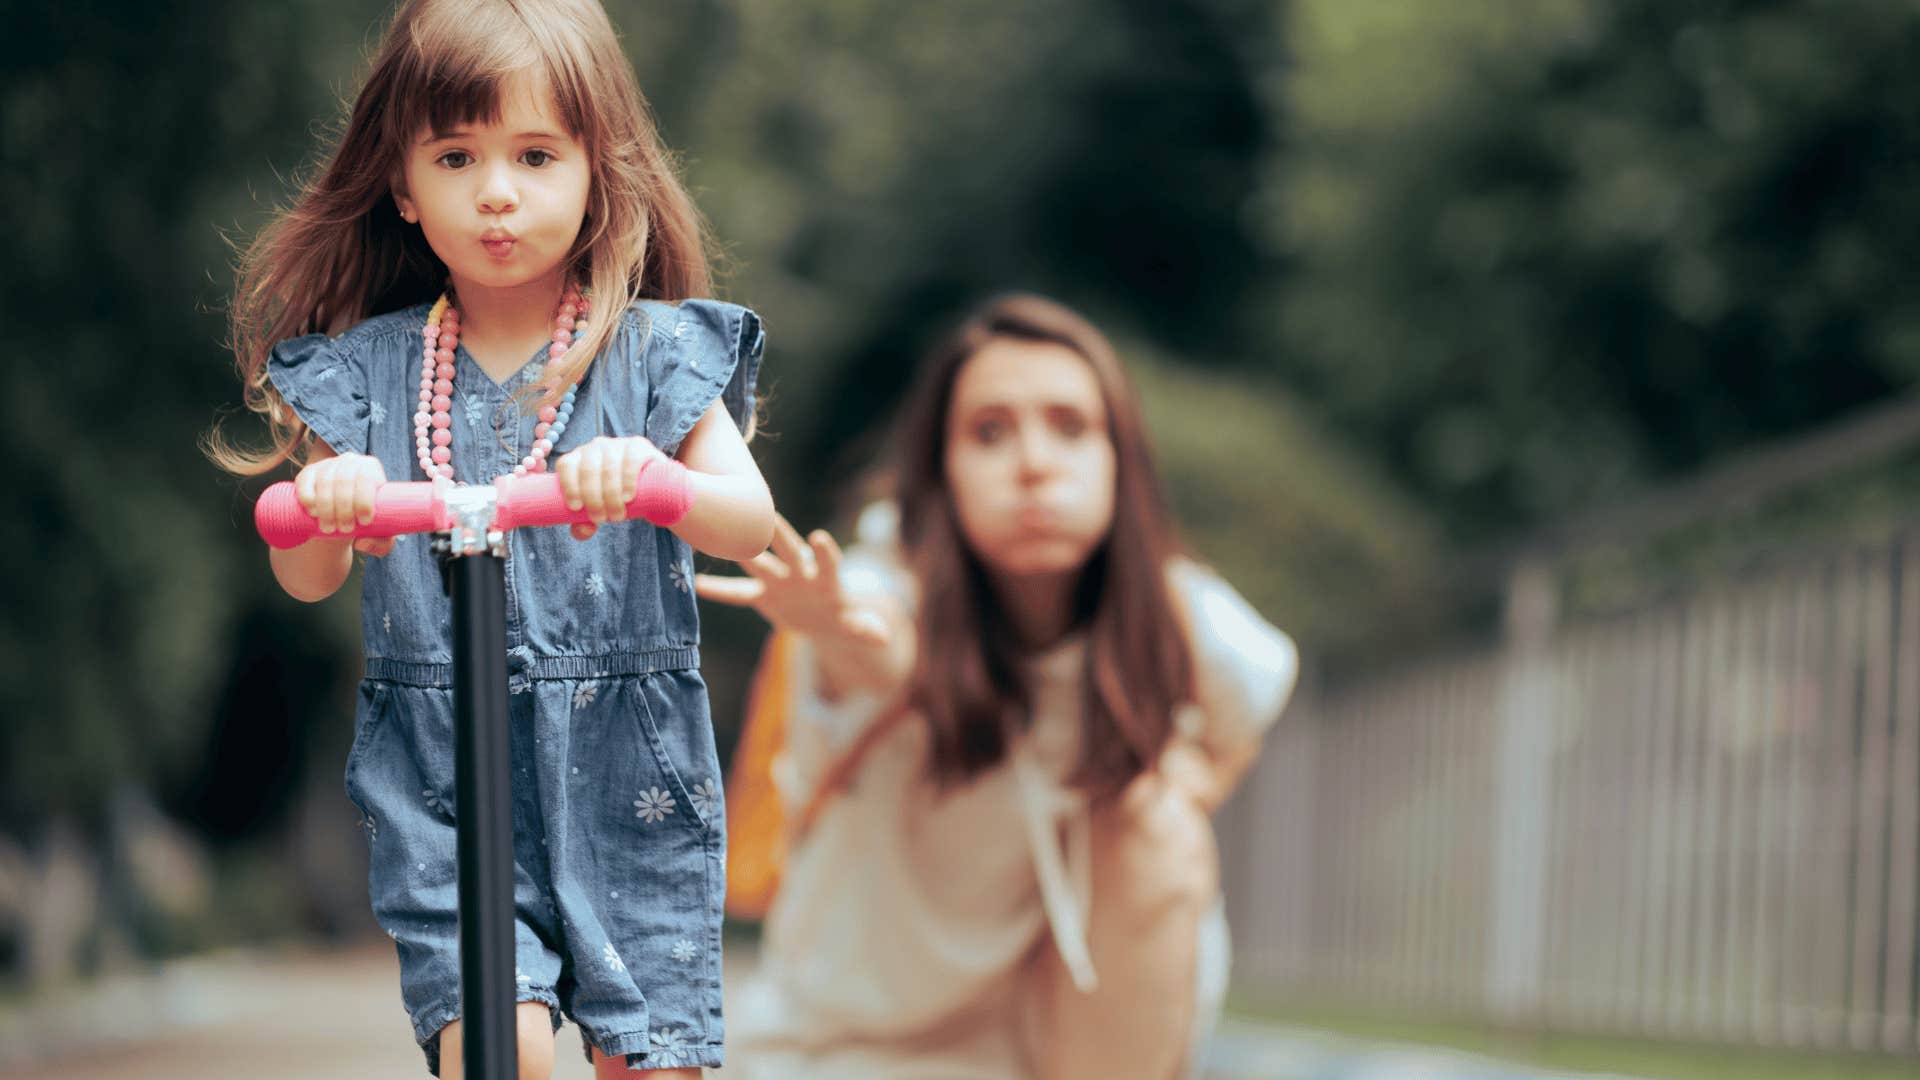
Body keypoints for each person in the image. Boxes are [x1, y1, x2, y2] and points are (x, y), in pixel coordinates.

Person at [207, 1, 775, 1075]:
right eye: (457, 155)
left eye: (535, 154)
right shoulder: (368, 375)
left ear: (597, 172)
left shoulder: (654, 354)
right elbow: (303, 570)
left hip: (627, 756)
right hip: (442, 772)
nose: (497, 191)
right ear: (403, 186)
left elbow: (748, 524)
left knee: (652, 1059)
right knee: (499, 1051)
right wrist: (337, 503)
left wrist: (656, 480)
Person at [697, 294, 1297, 1079]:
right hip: (849, 1050)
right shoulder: (883, 585)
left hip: (1049, 1042)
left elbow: (1259, 691)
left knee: (1159, 821)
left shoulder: (1174, 615)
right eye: (989, 432)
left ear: (1121, 460)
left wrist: (1180, 785)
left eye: (1071, 427)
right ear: (942, 471)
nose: (1035, 463)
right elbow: (880, 650)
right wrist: (833, 626)